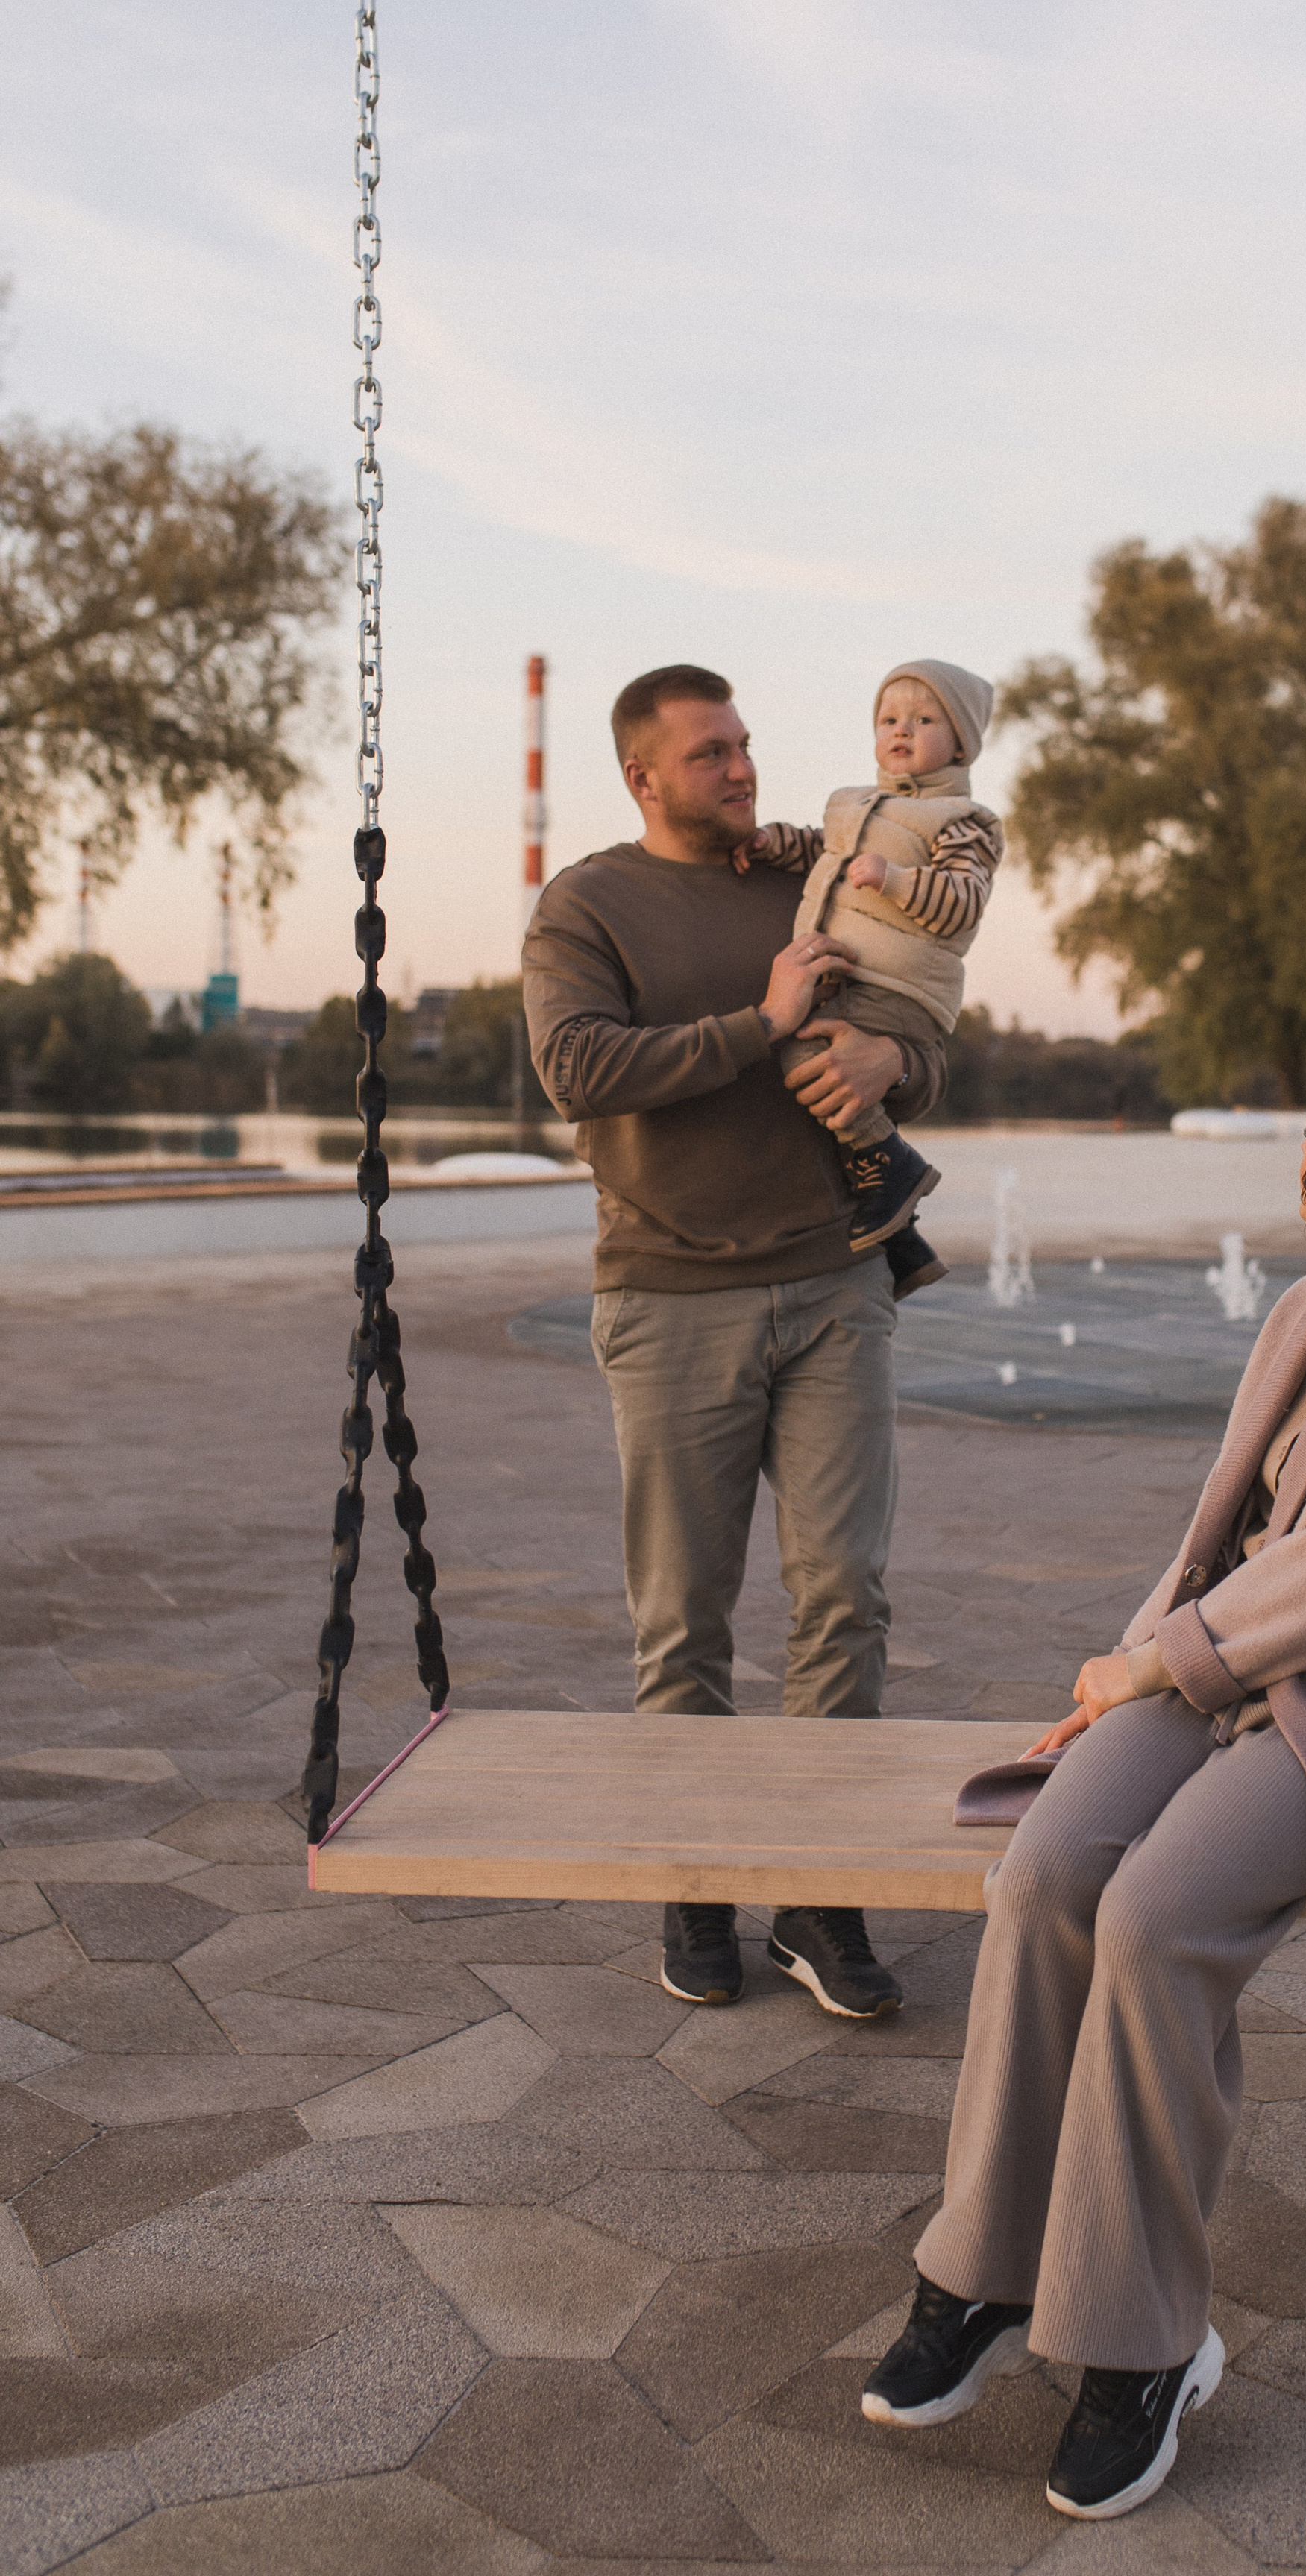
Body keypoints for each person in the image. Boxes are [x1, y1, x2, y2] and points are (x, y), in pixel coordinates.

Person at [860, 1035, 1306, 2522]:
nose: (1300, 1157)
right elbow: (1224, 1529)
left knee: (1152, 1921)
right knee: (1051, 1870)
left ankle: (1145, 2348)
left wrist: (1154, 1666)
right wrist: (1126, 1668)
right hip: (1220, 1662)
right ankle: (986, 2274)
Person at [522, 664, 951, 2022]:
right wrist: (758, 1025)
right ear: (643, 777)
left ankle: (820, 1897)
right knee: (685, 1624)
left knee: (845, 1601)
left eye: (747, 744)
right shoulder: (587, 905)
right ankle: (697, 1879)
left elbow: (917, 1015)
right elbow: (578, 1070)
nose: (744, 768)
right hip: (669, 1301)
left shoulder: (810, 879)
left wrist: (898, 1069)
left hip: (837, 1288)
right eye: (711, 754)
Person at [747, 658, 1002, 1297]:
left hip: (900, 988)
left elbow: (963, 900)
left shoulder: (962, 821)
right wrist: (772, 842)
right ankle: (902, 1242)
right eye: (889, 719)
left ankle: (895, 1164)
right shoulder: (851, 804)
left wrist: (893, 878)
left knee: (805, 1056)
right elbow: (820, 851)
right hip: (851, 981)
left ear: (961, 741)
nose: (901, 730)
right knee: (824, 1104)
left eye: (922, 719)